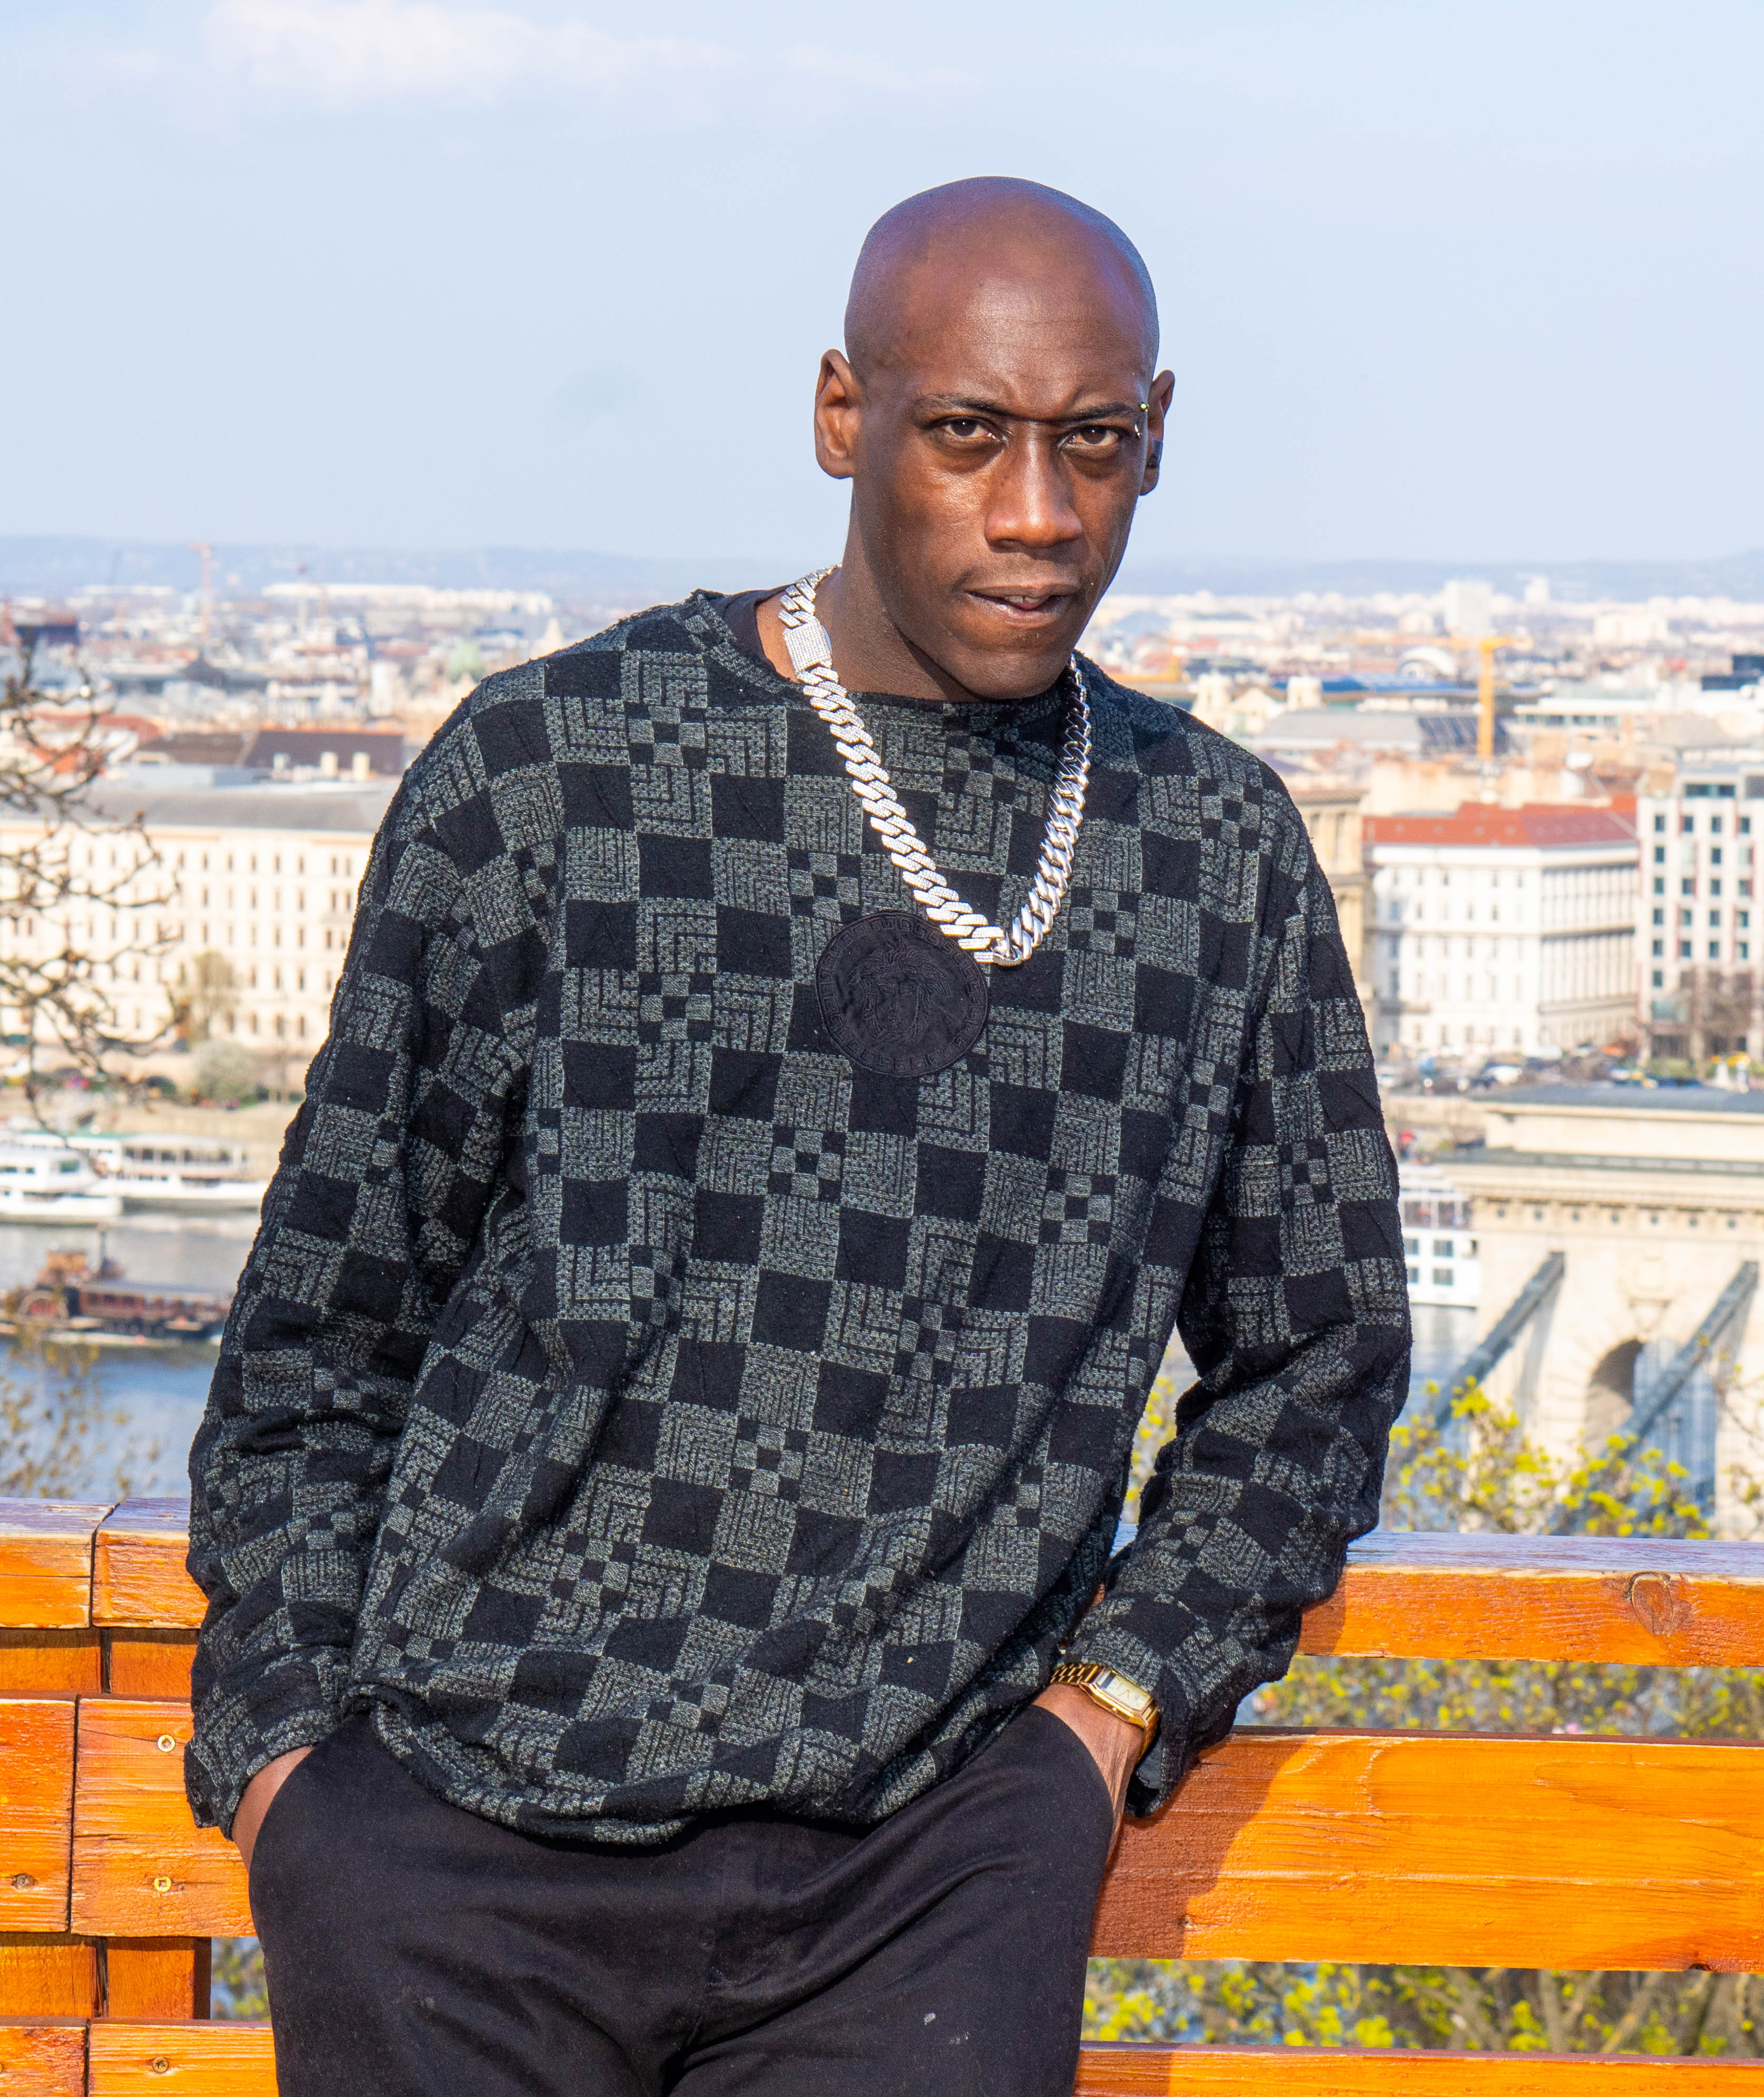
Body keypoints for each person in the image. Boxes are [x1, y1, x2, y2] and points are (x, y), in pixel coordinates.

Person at [186, 177, 1411, 2097]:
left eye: (1093, 443)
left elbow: (1322, 1353)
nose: (1037, 511)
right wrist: (296, 1777)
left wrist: (1104, 1721)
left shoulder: (1213, 849)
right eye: (968, 434)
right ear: (845, 416)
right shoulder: (557, 773)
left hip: (931, 1880)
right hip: (453, 1852)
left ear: (1157, 436)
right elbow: (323, 1330)